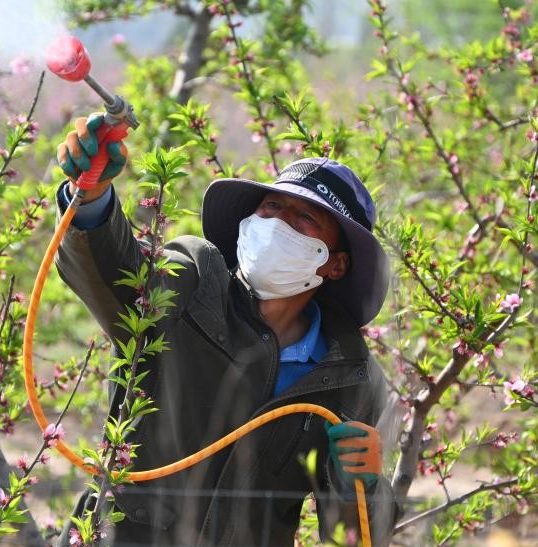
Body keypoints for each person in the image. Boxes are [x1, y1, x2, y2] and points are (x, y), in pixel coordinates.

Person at [53, 113, 400, 546]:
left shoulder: (350, 377)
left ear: (335, 264)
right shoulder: (193, 281)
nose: (278, 223)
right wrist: (90, 197)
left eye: (305, 218)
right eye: (272, 206)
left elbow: (355, 537)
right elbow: (119, 269)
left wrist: (361, 487)